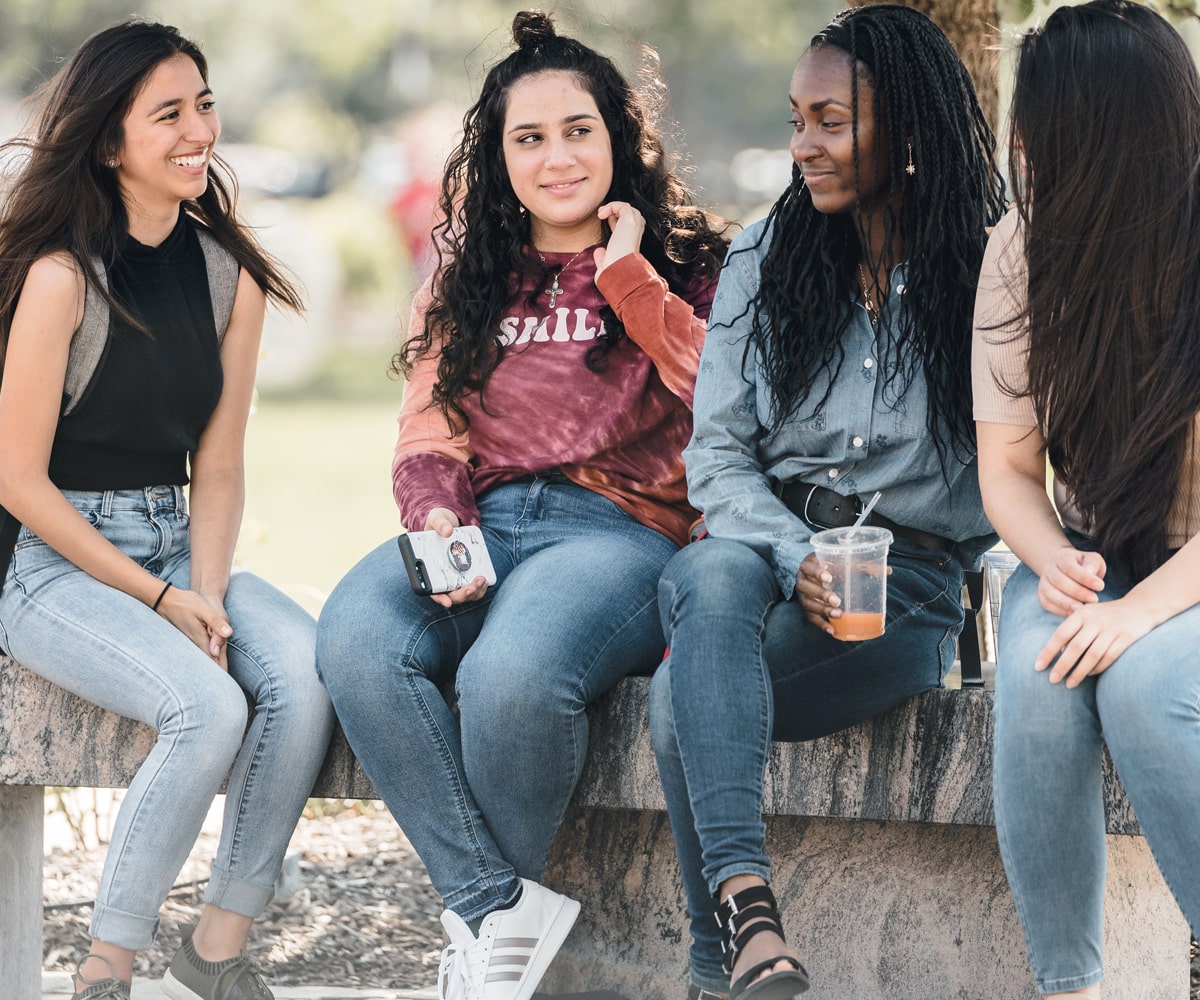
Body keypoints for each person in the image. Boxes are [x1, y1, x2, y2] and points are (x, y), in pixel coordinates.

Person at [314, 10, 729, 1000]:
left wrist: (629, 282)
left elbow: (733, 401)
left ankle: (476, 956)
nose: (556, 158)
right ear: (497, 155)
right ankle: (496, 914)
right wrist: (437, 513)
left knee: (513, 674)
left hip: (622, 534)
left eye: (578, 130)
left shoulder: (696, 262)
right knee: (356, 636)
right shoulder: (467, 271)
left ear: (620, 137)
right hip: (483, 519)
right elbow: (427, 422)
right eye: (528, 138)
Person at [648, 6, 1005, 998]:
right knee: (711, 567)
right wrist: (791, 551)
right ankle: (751, 924)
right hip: (762, 565)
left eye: (831, 121)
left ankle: (714, 960)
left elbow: (1017, 473)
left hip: (910, 586)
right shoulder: (772, 253)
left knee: (684, 701)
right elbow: (717, 457)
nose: (803, 144)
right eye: (796, 117)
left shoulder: (990, 272)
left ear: (911, 131)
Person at [0, 20, 334, 1000]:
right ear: (110, 141)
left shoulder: (230, 275)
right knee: (206, 705)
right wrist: (159, 598)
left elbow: (220, 464)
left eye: (205, 104)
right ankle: (105, 969)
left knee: (305, 676)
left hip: (182, 541)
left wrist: (209, 594)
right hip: (57, 567)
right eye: (169, 114)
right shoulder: (61, 279)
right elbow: (17, 480)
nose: (200, 130)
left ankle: (217, 949)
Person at [973, 2, 1200, 996]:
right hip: (1099, 550)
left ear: (1111, 134)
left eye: (1042, 121)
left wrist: (1139, 615)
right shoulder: (1023, 251)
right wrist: (1056, 558)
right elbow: (1011, 468)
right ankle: (1072, 988)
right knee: (1035, 673)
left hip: (1186, 573)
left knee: (1148, 689)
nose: (1019, 141)